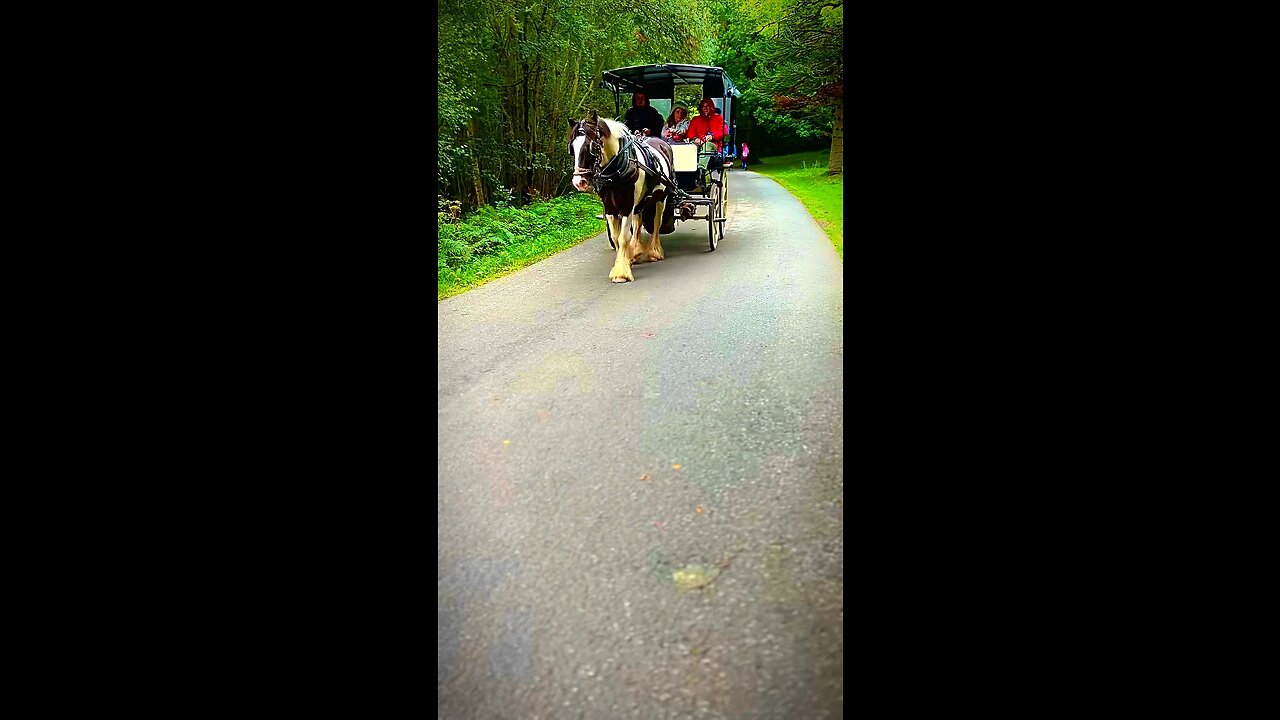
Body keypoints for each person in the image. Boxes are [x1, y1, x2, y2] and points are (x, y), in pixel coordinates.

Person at [685, 98, 726, 170]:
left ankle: (701, 169)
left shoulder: (718, 118)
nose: (705, 108)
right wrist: (695, 139)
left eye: (707, 106)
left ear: (711, 107)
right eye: (703, 107)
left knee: (707, 145)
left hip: (713, 145)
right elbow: (690, 133)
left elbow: (723, 131)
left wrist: (712, 136)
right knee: (690, 147)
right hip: (697, 144)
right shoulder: (695, 119)